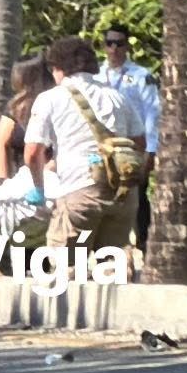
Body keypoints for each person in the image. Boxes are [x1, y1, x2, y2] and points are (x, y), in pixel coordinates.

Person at [22, 37, 145, 257]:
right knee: (112, 264)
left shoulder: (50, 98)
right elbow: (140, 143)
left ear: (58, 68)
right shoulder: (117, 97)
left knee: (66, 267)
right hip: (123, 193)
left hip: (79, 189)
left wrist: (39, 188)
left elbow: (32, 153)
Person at [95, 25, 160, 251]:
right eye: (109, 43)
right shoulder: (96, 76)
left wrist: (151, 150)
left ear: (127, 46)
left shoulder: (141, 76)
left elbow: (152, 114)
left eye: (119, 43)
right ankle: (108, 245)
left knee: (137, 195)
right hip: (104, 146)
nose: (114, 48)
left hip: (134, 145)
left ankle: (144, 243)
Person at [0, 55, 55, 183]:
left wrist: (46, 172)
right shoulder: (14, 108)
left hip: (55, 177)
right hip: (23, 181)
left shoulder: (56, 103)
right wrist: (3, 182)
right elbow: (1, 145)